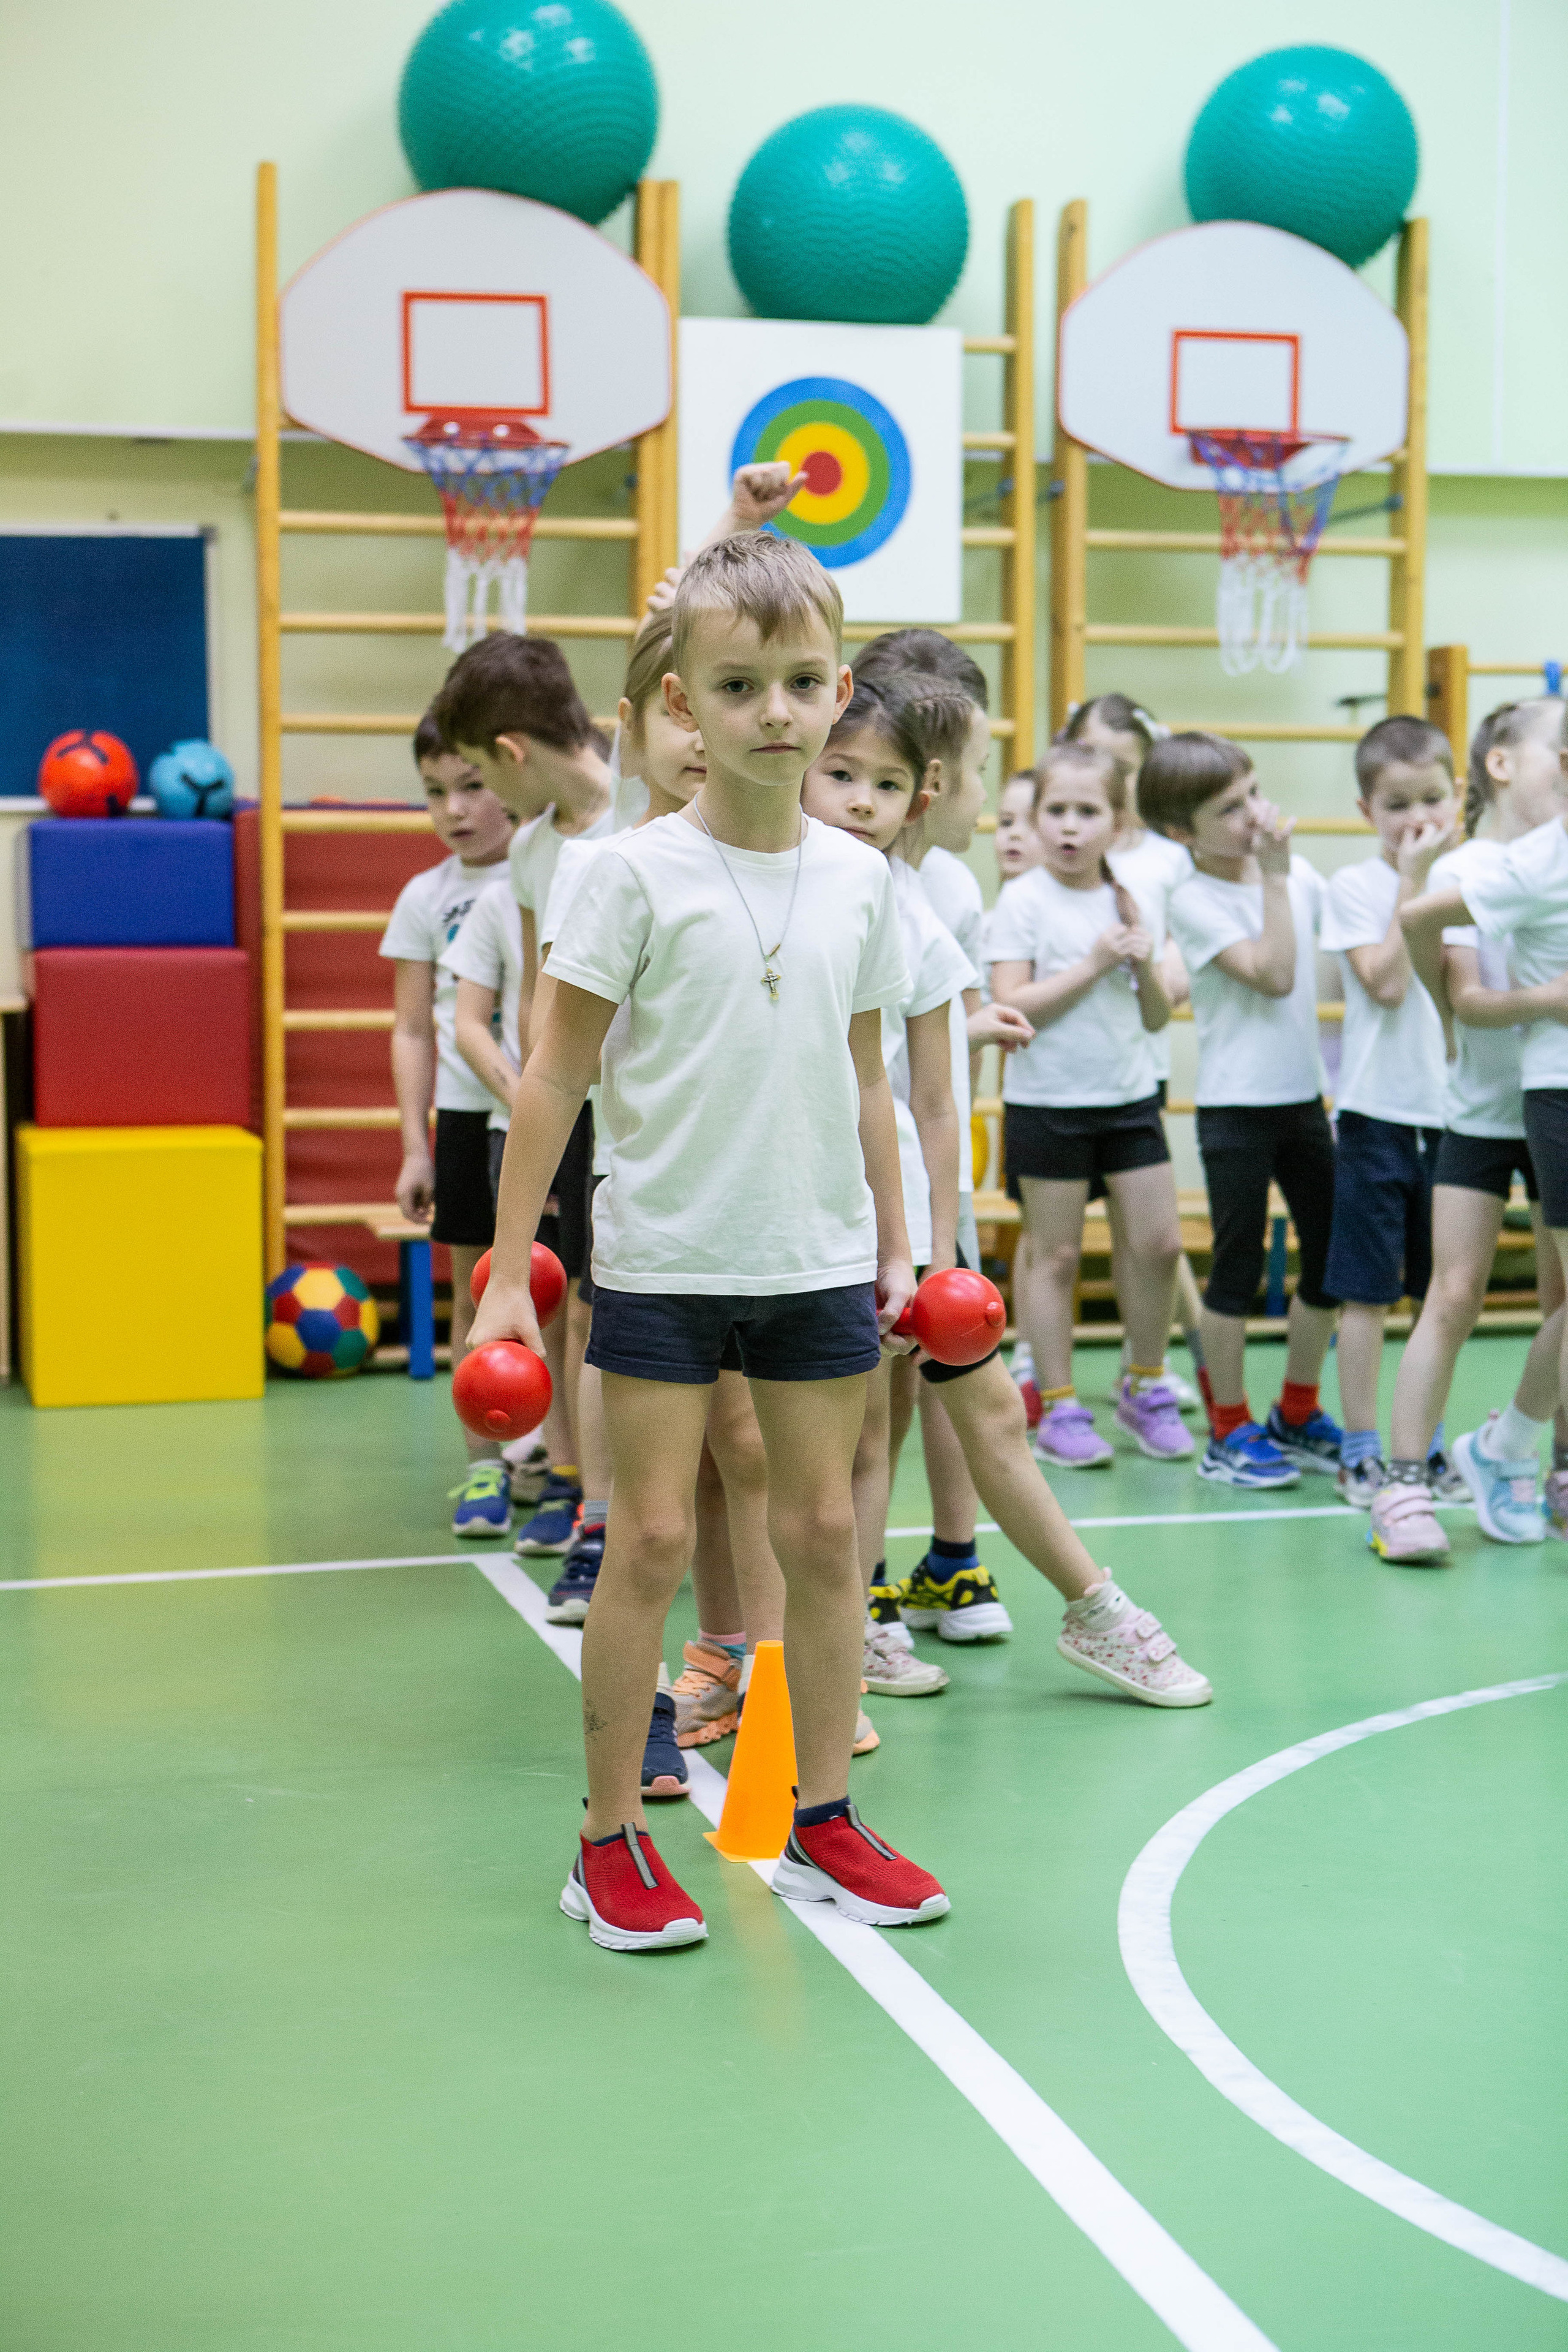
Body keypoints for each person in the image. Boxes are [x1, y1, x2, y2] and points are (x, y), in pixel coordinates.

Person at [467, 532, 948, 1951]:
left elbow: (867, 1080)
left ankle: (812, 1818)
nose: (775, 713)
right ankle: (607, 1836)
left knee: (817, 1534)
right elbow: (551, 1077)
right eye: (738, 686)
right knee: (657, 1536)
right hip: (666, 1256)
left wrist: (899, 1246)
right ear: (680, 700)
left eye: (801, 683)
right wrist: (505, 1271)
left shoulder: (862, 882)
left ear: (837, 685)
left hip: (811, 1256)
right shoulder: (624, 876)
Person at [806, 683, 1212, 1708]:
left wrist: (934, 1248)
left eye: (886, 783)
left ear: (917, 793)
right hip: (808, 1220)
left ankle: (1097, 1610)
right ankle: (845, 1632)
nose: (862, 799)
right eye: (842, 774)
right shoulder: (771, 888)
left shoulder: (917, 907)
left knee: (981, 1407)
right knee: (859, 1439)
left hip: (905, 1220)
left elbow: (936, 1099)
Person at [1369, 698, 1568, 1561]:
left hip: (1546, 1096)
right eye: (1556, 747)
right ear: (1502, 764)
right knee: (1453, 1294)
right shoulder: (1480, 863)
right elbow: (1466, 998)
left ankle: (1546, 1463)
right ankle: (1405, 1481)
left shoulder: (1548, 860)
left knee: (1562, 1303)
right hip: (1488, 1111)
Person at [431, 635, 617, 1555]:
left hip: (665, 1111)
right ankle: (585, 1501)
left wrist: (734, 526)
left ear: (510, 751)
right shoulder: (538, 848)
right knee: (580, 1305)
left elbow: (680, 644)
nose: (487, 804)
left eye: (480, 776)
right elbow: (547, 999)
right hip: (579, 1114)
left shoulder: (654, 804)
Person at [1143, 735, 1343, 1488]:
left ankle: (1296, 1409)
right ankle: (1228, 1428)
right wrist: (1276, 878)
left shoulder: (1295, 878)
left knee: (1327, 1259)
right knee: (1235, 1270)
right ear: (1181, 832)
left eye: (1253, 793)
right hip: (1234, 1110)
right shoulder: (1193, 899)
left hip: (1302, 1103)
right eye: (1229, 809)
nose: (1254, 814)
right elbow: (1273, 971)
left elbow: (1341, 956)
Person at [989, 744, 1191, 1468]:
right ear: (1037, 819)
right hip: (1049, 1104)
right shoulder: (1023, 899)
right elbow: (1009, 1003)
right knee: (1057, 1256)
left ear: (1117, 821)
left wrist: (1141, 968)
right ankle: (1061, 1404)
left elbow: (1158, 1018)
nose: (1070, 827)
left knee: (1160, 1245)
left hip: (1130, 1096)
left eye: (1088, 812)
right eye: (1057, 812)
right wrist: (1095, 964)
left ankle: (1144, 1385)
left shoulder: (1133, 896)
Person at [380, 714, 518, 1537]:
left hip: (551, 1111)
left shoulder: (554, 875)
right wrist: (411, 1144)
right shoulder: (426, 898)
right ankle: (485, 1468)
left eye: (472, 788)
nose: (455, 810)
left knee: (571, 1296)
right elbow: (408, 1028)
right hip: (468, 1116)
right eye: (436, 793)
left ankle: (564, 1467)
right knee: (477, 1286)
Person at [1318, 717, 1458, 1506]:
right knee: (1367, 1292)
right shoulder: (1356, 888)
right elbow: (1386, 982)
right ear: (1367, 809)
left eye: (1431, 799)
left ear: (1458, 797)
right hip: (1376, 1116)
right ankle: (1362, 1447)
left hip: (1454, 1118)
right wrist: (1415, 881)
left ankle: (1424, 1443)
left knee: (1441, 1293)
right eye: (1398, 803)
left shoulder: (1472, 876)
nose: (1417, 818)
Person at [1062, 698, 1205, 1414]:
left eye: (1124, 765)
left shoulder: (1168, 860)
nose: (1107, 774)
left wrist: (1167, 967)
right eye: (1093, 755)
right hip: (1059, 1072)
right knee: (1051, 1240)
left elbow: (1182, 942)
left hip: (1135, 1064)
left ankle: (1139, 1368)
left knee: (1143, 1235)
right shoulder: (1062, 837)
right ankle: (1039, 1362)